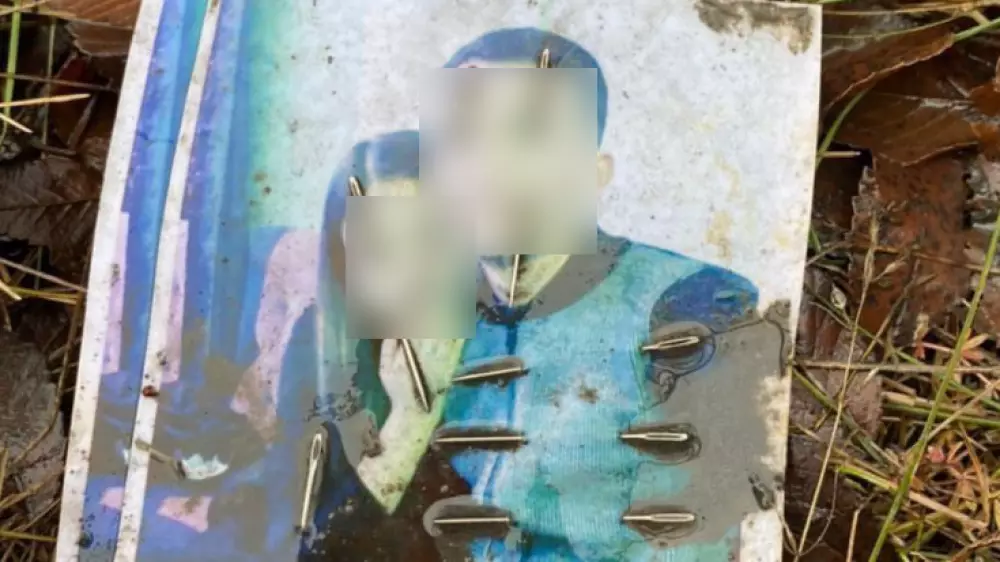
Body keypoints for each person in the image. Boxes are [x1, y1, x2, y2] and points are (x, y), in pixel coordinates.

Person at [353, 28, 771, 562]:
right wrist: (410, 420)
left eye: (527, 133)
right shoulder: (410, 313)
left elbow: (705, 539)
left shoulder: (696, 304)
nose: (487, 165)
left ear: (595, 173)